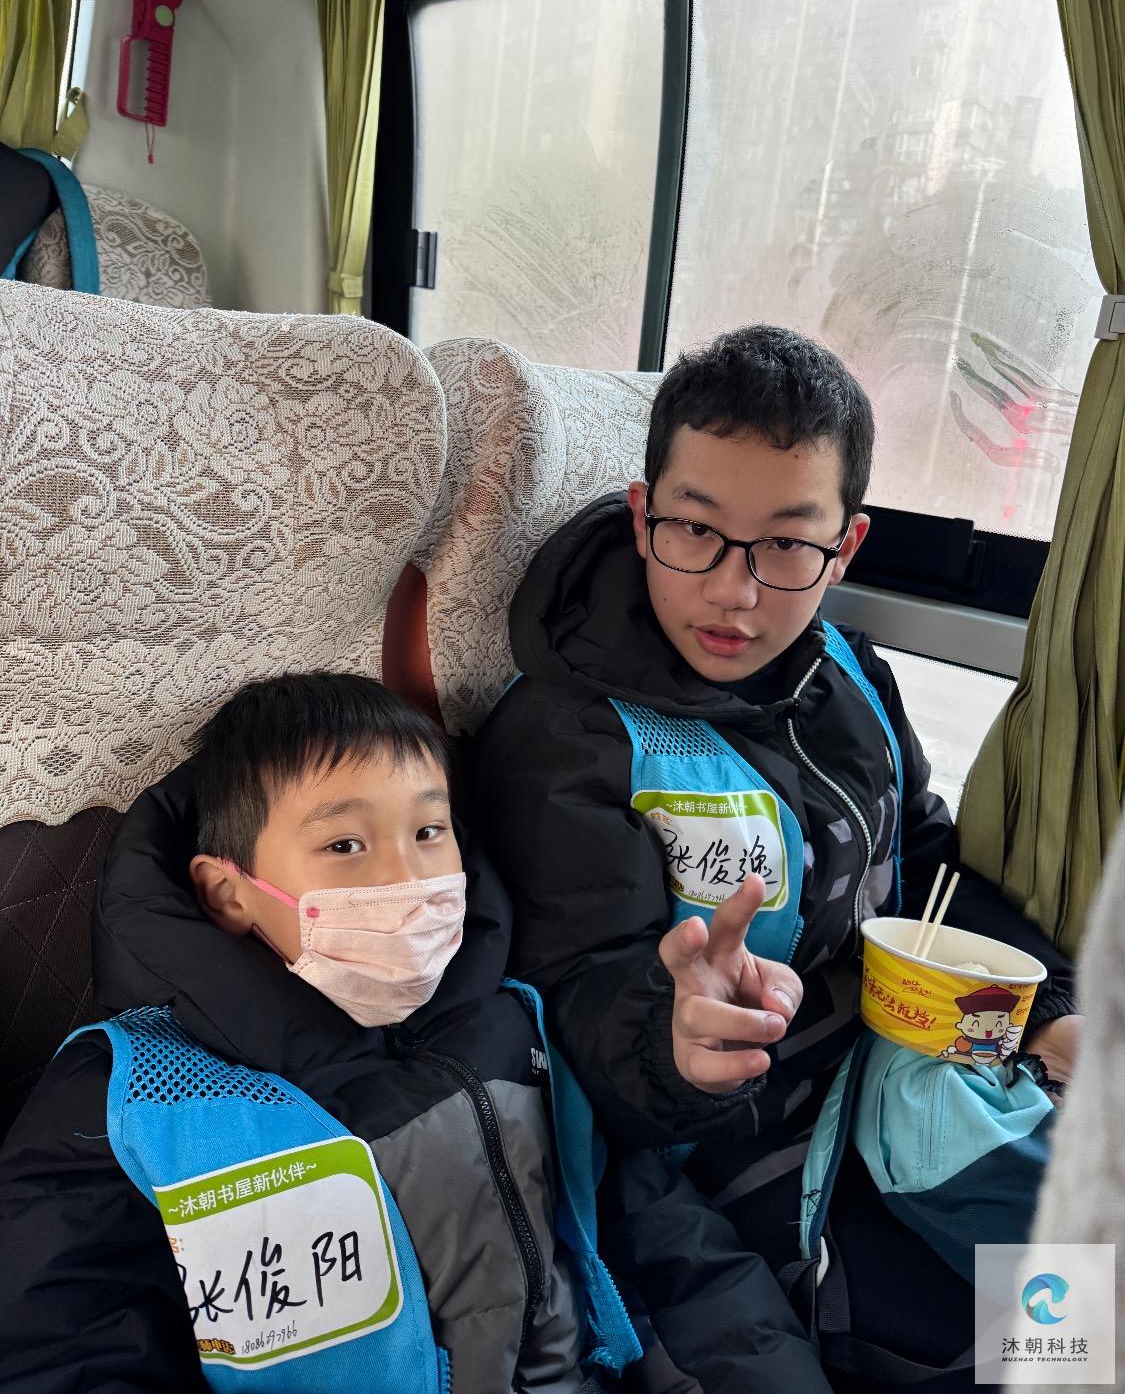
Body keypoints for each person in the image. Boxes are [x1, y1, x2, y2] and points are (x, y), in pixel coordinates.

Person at [474, 325, 1082, 1391]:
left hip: (899, 1080)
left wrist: (1051, 1009)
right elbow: (573, 995)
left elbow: (925, 859)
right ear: (641, 515)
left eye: (787, 547)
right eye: (695, 532)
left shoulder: (847, 672)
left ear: (846, 549)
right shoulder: (567, 739)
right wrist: (676, 1040)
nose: (735, 593)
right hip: (716, 1151)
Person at [0, 673, 631, 1394]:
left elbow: (623, 1244)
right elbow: (59, 1351)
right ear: (228, 894)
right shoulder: (130, 1102)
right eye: (344, 844)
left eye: (429, 832)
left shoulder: (515, 1019)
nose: (406, 880)